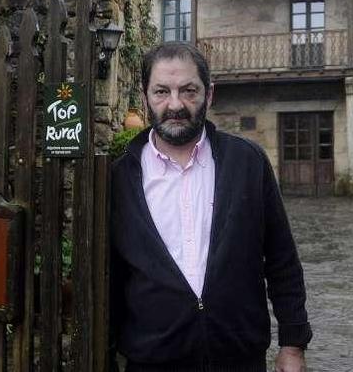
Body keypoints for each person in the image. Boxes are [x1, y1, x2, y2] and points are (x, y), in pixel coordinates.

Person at [110, 43, 312, 372]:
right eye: (161, 91)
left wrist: (293, 343)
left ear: (210, 94)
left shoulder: (248, 162)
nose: (175, 104)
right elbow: (113, 276)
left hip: (238, 357)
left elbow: (281, 260)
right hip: (152, 360)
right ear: (144, 96)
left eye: (189, 91)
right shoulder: (120, 179)